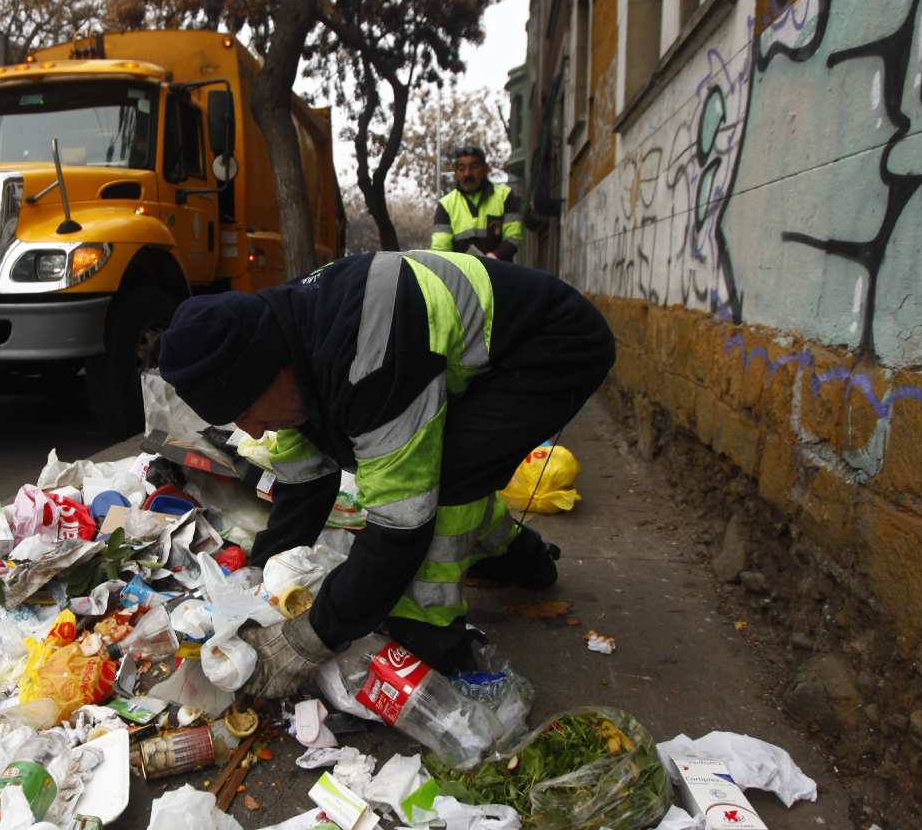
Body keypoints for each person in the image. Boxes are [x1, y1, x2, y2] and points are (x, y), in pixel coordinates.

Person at [157, 250, 614, 697]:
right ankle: (523, 561)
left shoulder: (365, 359)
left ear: (270, 369)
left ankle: (436, 640)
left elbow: (401, 528)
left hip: (551, 346)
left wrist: (309, 639)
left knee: (449, 480)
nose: (251, 429)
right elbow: (304, 486)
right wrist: (261, 576)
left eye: (246, 411)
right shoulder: (288, 338)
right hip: (467, 354)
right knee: (443, 467)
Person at [430, 146, 523, 260]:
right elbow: (441, 251)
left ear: (485, 169)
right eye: (461, 168)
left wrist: (494, 257)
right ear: (455, 172)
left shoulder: (505, 196)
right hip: (462, 275)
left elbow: (513, 237)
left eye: (474, 167)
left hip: (499, 273)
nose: (467, 173)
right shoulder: (446, 205)